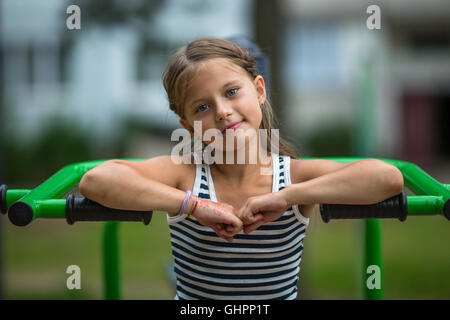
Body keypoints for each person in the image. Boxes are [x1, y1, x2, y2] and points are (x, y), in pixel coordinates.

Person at [79, 37, 404, 300]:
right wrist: (194, 206)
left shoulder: (292, 175)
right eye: (202, 107)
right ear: (188, 126)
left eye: (232, 92)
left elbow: (387, 178)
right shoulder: (184, 173)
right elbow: (97, 180)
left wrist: (287, 196)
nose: (222, 112)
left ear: (259, 90)